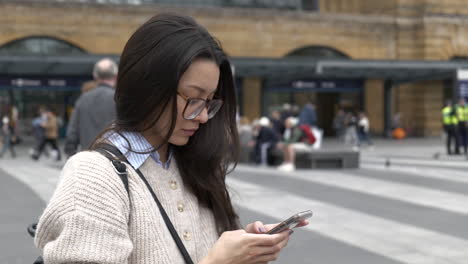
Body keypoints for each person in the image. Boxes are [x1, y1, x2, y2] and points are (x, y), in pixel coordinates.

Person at [35, 13, 307, 264]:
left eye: (209, 102)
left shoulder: (190, 164)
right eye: (193, 99)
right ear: (148, 86)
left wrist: (243, 250)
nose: (202, 117)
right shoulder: (93, 177)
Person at [64, 58, 118, 157]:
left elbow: (72, 131)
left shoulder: (83, 99)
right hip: (115, 161)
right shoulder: (119, 99)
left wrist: (70, 153)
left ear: (95, 76)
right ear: (115, 76)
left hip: (88, 158)